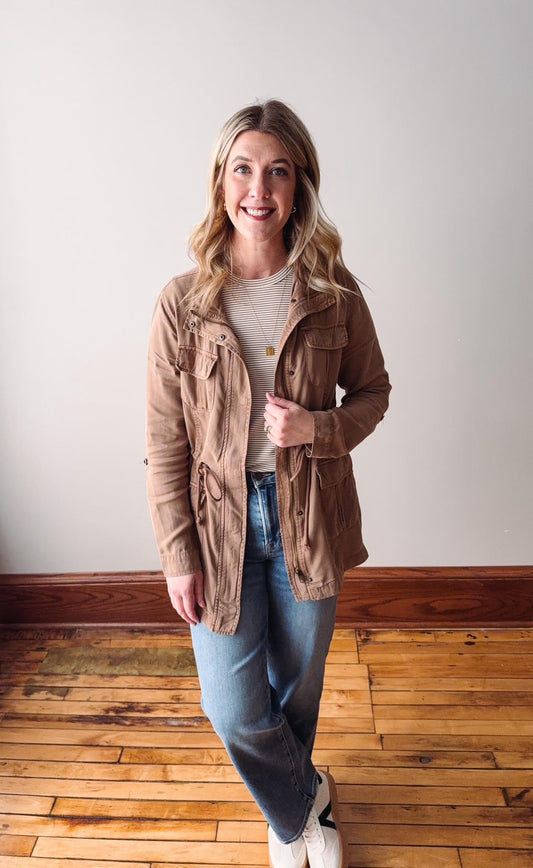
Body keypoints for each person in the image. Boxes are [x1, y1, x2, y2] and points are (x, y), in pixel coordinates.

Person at [146, 99, 390, 868]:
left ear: (299, 186)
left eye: (278, 171)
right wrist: (175, 552)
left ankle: (290, 821)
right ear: (220, 182)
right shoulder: (181, 303)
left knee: (296, 688)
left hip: (308, 513)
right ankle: (299, 809)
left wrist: (316, 428)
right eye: (243, 169)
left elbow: (374, 392)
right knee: (231, 704)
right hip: (217, 525)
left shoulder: (331, 291)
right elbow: (164, 439)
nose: (260, 188)